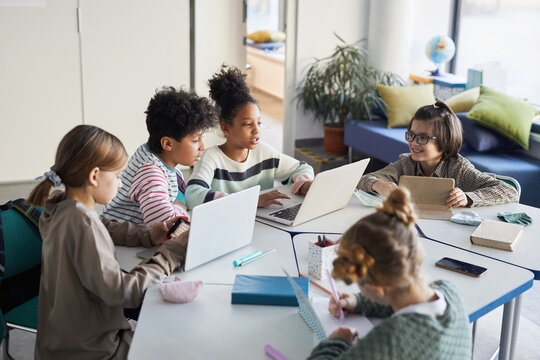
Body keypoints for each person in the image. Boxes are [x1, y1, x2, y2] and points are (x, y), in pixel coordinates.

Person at [27, 125, 189, 359]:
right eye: (118, 176)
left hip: (60, 341)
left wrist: (146, 234)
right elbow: (123, 292)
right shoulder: (82, 223)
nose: (121, 184)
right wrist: (171, 254)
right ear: (94, 176)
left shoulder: (59, 207)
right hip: (93, 350)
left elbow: (101, 224)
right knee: (180, 344)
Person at [308, 188, 472, 359]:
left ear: (376, 288)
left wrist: (337, 342)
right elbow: (403, 299)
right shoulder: (449, 290)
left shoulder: (390, 338)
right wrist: (357, 301)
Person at [185, 66, 314, 209]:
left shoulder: (264, 153)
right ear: (226, 128)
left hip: (262, 223)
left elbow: (302, 168)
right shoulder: (211, 158)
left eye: (259, 122)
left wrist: (302, 183)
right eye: (247, 124)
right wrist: (250, 201)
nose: (256, 130)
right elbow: (192, 196)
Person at [101, 87, 219, 234]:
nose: (202, 146)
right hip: (123, 243)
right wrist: (179, 208)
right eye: (195, 140)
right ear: (167, 144)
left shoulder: (155, 154)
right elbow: (169, 227)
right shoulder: (150, 172)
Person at [358, 100, 518, 207]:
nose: (413, 143)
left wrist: (468, 198)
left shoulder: (459, 168)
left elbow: (509, 191)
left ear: (444, 142)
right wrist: (379, 185)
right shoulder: (406, 163)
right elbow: (363, 180)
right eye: (411, 135)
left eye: (422, 138)